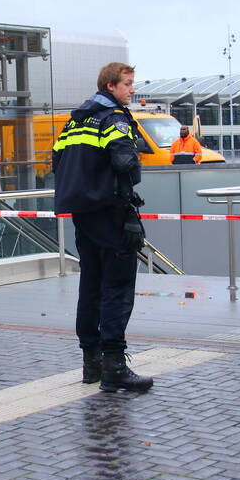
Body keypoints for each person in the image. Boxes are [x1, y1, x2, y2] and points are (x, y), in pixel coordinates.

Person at [52, 62, 153, 393]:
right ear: (111, 86)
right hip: (111, 213)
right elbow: (126, 163)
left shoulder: (75, 120)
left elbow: (56, 161)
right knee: (118, 287)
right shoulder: (115, 118)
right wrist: (130, 171)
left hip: (83, 214)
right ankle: (115, 366)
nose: (132, 89)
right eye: (127, 84)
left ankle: (91, 364)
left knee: (91, 286)